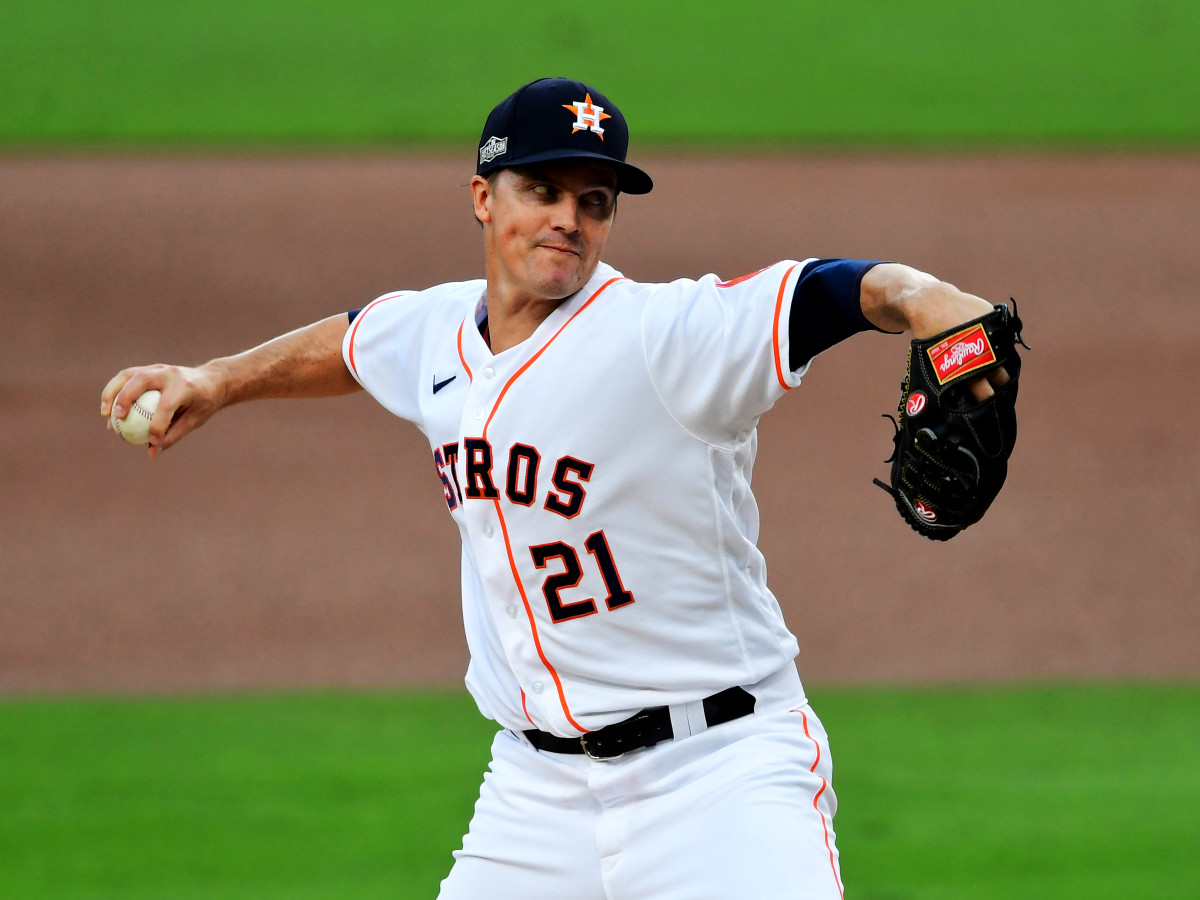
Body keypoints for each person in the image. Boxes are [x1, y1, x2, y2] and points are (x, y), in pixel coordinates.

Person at [102, 77, 1008, 899]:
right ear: (482, 199)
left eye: (594, 201)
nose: (569, 219)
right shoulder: (432, 334)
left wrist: (926, 300)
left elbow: (832, 293)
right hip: (535, 796)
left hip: (720, 775)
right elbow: (349, 342)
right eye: (542, 192)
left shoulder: (664, 338)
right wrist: (216, 379)